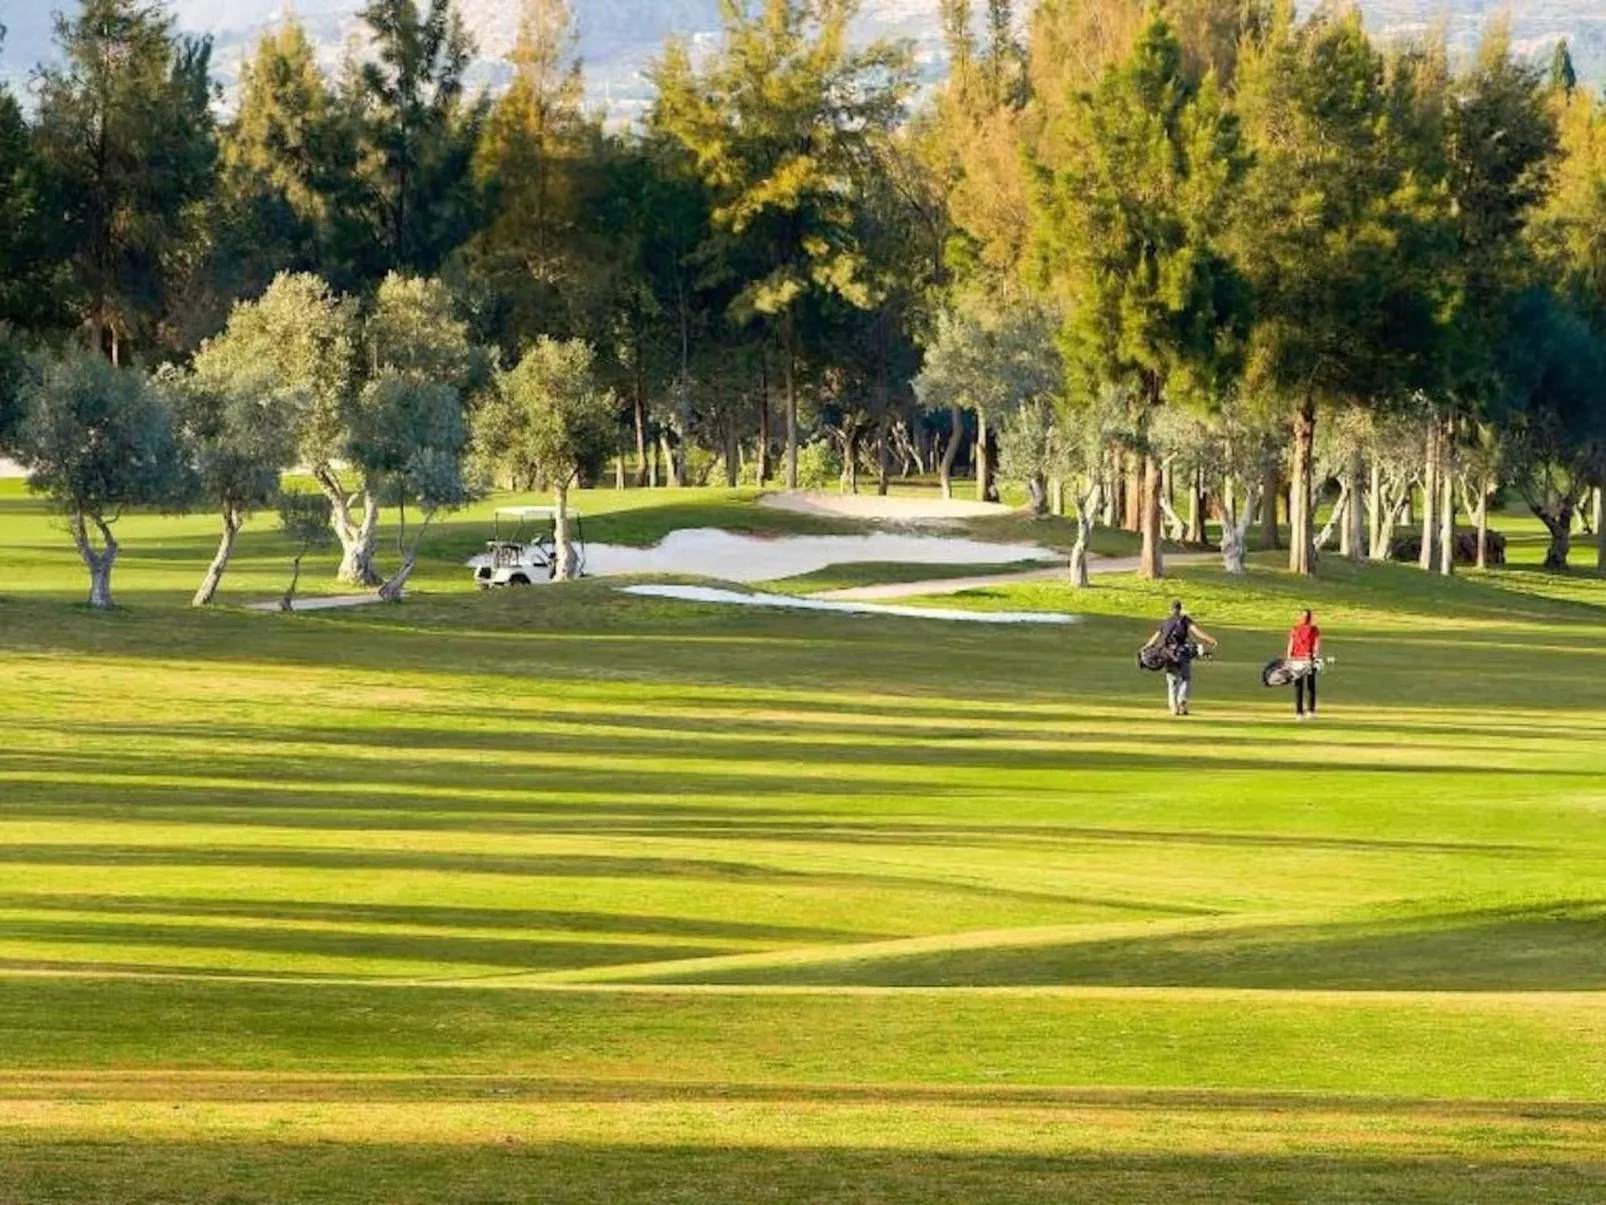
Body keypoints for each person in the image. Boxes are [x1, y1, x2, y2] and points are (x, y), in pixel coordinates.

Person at [1142, 600, 1219, 717]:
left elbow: (1155, 637)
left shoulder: (1166, 622)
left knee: (1172, 680)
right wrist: (1210, 640)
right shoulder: (1185, 620)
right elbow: (1197, 632)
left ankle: (1173, 707)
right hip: (1182, 652)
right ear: (1180, 609)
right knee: (1185, 678)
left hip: (1167, 653)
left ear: (1171, 609)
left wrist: (1145, 648)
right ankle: (1181, 702)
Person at [1287, 609, 1323, 720]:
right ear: (1310, 618)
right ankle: (1310, 711)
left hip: (1296, 660)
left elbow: (1291, 645)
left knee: (1299, 686)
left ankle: (1299, 713)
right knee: (1311, 686)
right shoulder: (1314, 630)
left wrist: (1289, 659)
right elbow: (1317, 645)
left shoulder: (1295, 629)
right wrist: (1315, 657)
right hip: (1308, 659)